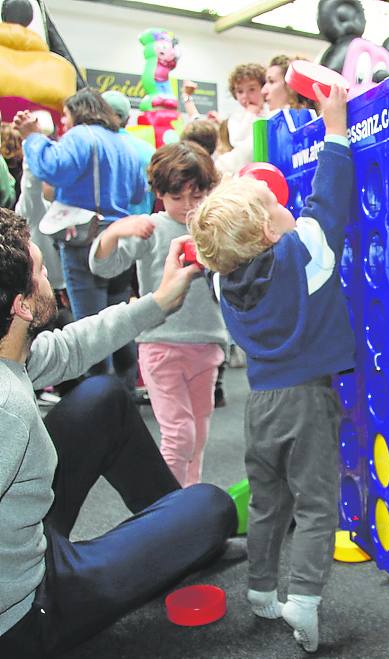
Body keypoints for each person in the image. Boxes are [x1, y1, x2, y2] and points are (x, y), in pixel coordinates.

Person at [0, 208, 237, 657]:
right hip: (31, 604)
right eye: (41, 270)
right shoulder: (6, 407)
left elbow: (70, 347)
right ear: (21, 306)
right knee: (213, 506)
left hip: (22, 533)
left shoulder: (11, 349)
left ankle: (176, 531)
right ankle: (186, 537)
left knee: (103, 397)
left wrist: (159, 301)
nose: (49, 276)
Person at [189, 83, 353, 654]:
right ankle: (303, 597)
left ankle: (261, 589)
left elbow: (227, 255)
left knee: (267, 502)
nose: (288, 204)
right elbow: (328, 202)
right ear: (268, 231)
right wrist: (335, 129)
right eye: (276, 204)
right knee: (316, 504)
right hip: (308, 401)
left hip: (259, 405)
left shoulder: (222, 283)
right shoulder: (302, 253)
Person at [90, 142, 226, 486]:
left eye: (197, 196)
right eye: (177, 197)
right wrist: (114, 231)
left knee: (198, 434)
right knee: (179, 434)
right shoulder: (151, 227)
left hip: (207, 342)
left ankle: (190, 501)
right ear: (160, 194)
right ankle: (169, 506)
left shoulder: (212, 227)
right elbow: (104, 266)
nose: (188, 206)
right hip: (161, 343)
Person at [14, 88, 146, 388]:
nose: (64, 121)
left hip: (84, 238)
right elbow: (139, 193)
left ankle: (100, 395)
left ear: (79, 111)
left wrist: (33, 138)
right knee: (119, 318)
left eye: (66, 115)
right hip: (119, 237)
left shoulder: (81, 136)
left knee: (89, 326)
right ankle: (124, 392)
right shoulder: (125, 144)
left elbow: (52, 168)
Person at [215, 63, 267, 175]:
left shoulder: (270, 113)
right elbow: (237, 140)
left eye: (252, 89)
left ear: (263, 88)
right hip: (245, 170)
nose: (245, 96)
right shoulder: (236, 118)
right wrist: (250, 114)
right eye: (240, 91)